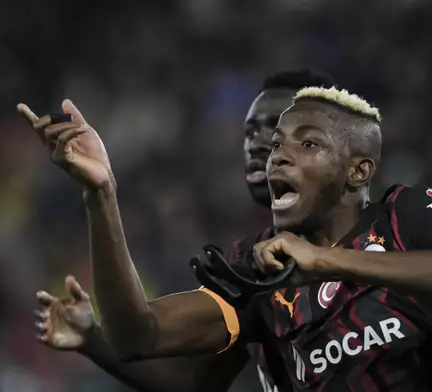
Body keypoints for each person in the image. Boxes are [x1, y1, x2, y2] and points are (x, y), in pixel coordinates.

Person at [21, 85, 432, 391]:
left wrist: (329, 263)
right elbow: (140, 336)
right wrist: (101, 195)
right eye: (278, 145)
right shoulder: (257, 268)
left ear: (358, 172)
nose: (278, 155)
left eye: (308, 144)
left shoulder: (406, 215)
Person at [29, 69, 335, 392]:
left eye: (276, 127)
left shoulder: (388, 234)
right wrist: (100, 192)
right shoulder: (255, 274)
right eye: (250, 132)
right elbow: (184, 378)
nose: (257, 144)